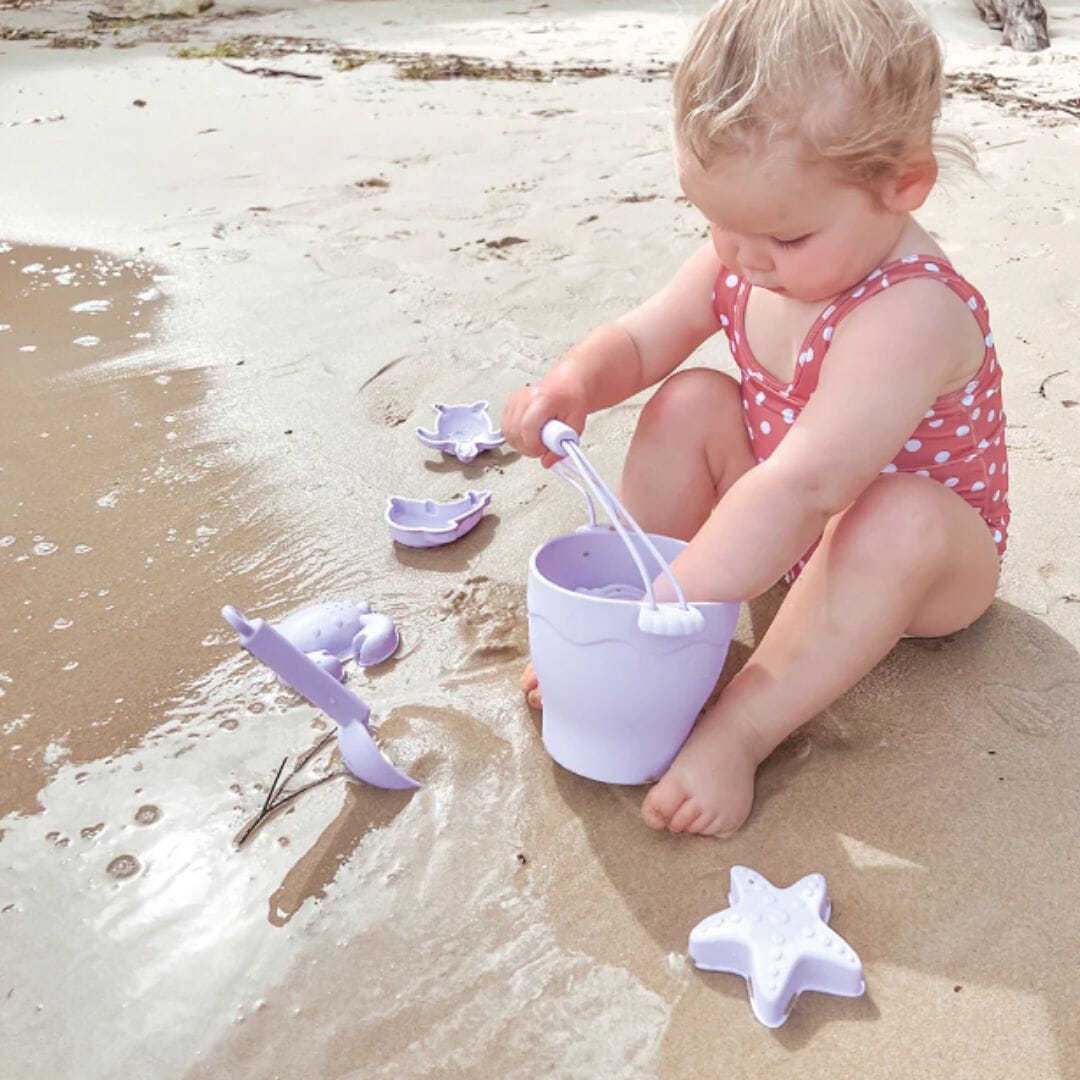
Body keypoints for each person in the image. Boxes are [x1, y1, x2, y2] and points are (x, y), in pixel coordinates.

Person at [500, 0, 1009, 837]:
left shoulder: (910, 309)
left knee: (896, 519)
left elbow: (811, 483)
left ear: (902, 185)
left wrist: (679, 592)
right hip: (781, 519)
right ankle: (643, 637)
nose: (742, 256)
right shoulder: (750, 245)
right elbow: (642, 339)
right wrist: (575, 384)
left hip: (921, 565)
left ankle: (739, 727)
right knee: (692, 400)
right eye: (717, 221)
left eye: (784, 236)